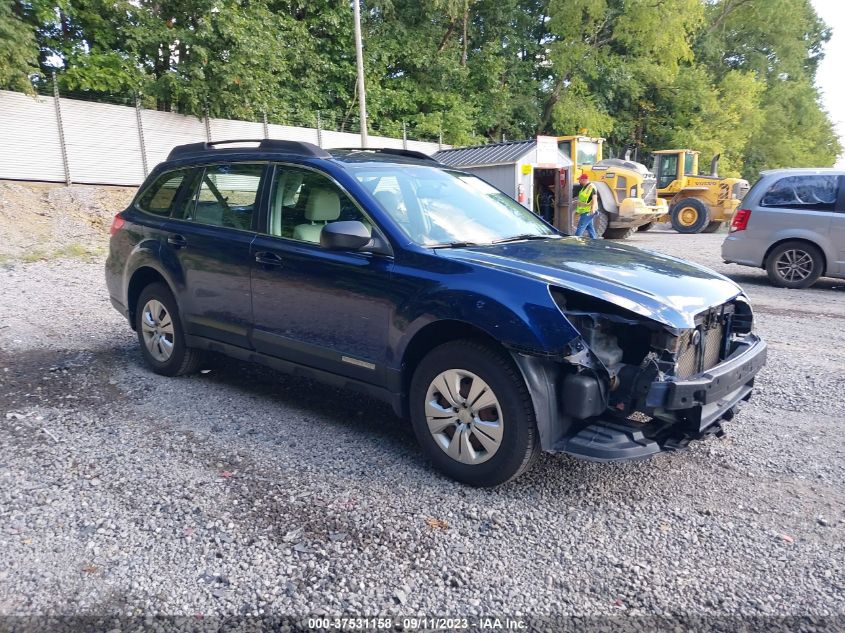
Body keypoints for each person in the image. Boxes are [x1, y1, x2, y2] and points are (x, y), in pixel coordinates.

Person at [574, 172, 599, 238]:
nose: (579, 181)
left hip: (588, 211)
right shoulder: (584, 188)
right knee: (590, 228)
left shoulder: (591, 187)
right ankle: (594, 241)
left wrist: (593, 209)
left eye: (579, 180)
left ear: (583, 180)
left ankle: (576, 241)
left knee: (580, 227)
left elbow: (595, 199)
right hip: (584, 211)